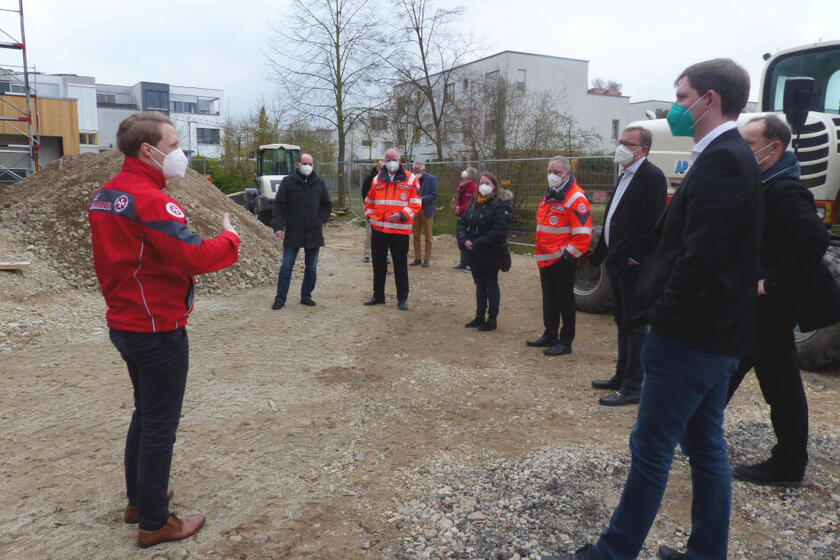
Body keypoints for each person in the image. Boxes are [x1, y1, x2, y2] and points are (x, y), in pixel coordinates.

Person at [544, 58, 762, 560]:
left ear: (710, 99)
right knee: (705, 443)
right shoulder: (725, 154)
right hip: (714, 336)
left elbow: (700, 257)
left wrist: (660, 316)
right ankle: (706, 552)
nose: (676, 107)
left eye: (682, 97)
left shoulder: (725, 158)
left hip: (690, 337)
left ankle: (612, 553)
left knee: (651, 448)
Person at [88, 112, 240, 548]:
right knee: (159, 424)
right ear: (147, 150)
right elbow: (191, 256)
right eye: (173, 145)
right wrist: (229, 239)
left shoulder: (107, 195)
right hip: (156, 326)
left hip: (126, 321)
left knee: (145, 413)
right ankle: (154, 522)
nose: (179, 153)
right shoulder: (151, 200)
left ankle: (140, 499)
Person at [726, 115, 840, 487]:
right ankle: (697, 432)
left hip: (773, 307)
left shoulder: (785, 189)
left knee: (780, 383)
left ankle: (789, 465)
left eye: (748, 143)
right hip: (757, 306)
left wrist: (771, 283)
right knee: (732, 365)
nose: (741, 150)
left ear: (773, 148)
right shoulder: (763, 183)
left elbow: (814, 239)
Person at [589, 126, 666, 406]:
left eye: (627, 143)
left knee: (634, 326)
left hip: (633, 265)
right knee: (622, 321)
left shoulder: (652, 177)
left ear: (643, 149)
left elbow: (653, 222)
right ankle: (621, 375)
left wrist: (637, 255)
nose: (620, 147)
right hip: (617, 261)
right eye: (620, 141)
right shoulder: (625, 175)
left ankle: (634, 385)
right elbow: (614, 215)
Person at [526, 156, 592, 357]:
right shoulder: (550, 194)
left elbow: (583, 235)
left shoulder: (575, 198)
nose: (552, 176)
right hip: (545, 258)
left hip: (562, 260)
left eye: (557, 172)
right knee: (549, 299)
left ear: (567, 173)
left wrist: (567, 256)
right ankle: (550, 334)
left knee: (565, 301)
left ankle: (566, 341)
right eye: (549, 172)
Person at [271, 153, 332, 309]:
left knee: (311, 268)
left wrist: (321, 219)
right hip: (293, 232)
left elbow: (327, 205)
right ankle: (280, 298)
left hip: (313, 233)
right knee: (286, 266)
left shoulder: (319, 183)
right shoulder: (288, 182)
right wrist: (278, 226)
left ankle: (306, 296)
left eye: (310, 164)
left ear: (314, 166)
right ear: (298, 164)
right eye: (304, 163)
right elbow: (279, 205)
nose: (307, 166)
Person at [363, 148, 421, 310]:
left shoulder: (411, 180)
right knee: (378, 265)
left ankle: (402, 299)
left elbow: (416, 203)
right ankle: (378, 296)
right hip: (379, 231)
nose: (391, 162)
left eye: (393, 159)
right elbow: (369, 201)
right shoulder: (377, 180)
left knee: (400, 266)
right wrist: (369, 217)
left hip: (399, 231)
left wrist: (402, 215)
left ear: (400, 160)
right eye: (387, 159)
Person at [457, 172, 513, 331]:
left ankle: (492, 318)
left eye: (487, 183)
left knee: (491, 285)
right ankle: (479, 316)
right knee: (479, 285)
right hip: (474, 252)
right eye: (481, 182)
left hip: (491, 252)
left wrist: (476, 243)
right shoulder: (474, 202)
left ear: (494, 186)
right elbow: (462, 221)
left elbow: (499, 231)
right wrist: (463, 240)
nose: (484, 186)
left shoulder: (502, 205)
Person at [409, 160, 438, 267]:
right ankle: (417, 258)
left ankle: (427, 258)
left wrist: (422, 199)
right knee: (415, 235)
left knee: (428, 235)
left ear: (423, 170)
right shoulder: (412, 179)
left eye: (416, 170)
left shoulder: (431, 179)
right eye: (414, 170)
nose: (414, 172)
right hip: (415, 210)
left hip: (426, 209)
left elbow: (434, 194)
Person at [453, 167, 478, 271]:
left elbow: (471, 203)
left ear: (471, 174)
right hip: (461, 216)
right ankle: (463, 263)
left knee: (470, 239)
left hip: (470, 216)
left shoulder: (474, 187)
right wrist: (457, 207)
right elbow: (458, 198)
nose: (464, 172)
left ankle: (470, 264)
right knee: (460, 238)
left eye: (467, 171)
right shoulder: (462, 184)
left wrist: (462, 208)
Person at [361, 159, 385, 263]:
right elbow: (364, 194)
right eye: (380, 167)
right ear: (377, 167)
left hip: (384, 211)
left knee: (384, 234)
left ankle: (385, 255)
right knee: (370, 233)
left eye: (384, 168)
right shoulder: (370, 179)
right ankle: (367, 254)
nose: (382, 169)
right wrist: (368, 209)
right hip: (372, 210)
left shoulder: (388, 179)